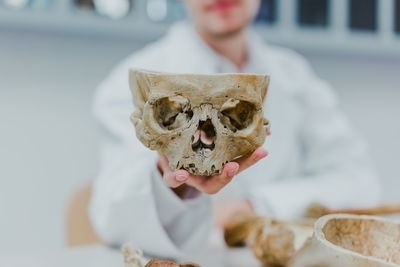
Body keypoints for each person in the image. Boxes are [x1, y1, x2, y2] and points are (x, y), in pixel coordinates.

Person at [89, 0, 381, 259]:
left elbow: (360, 182)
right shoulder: (131, 85)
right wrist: (172, 189)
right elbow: (113, 216)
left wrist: (253, 206)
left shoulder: (296, 77)